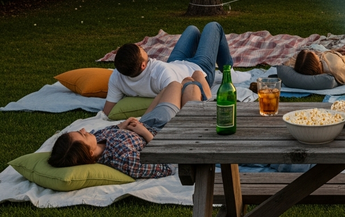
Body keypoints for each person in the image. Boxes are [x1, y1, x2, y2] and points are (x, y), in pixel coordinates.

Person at [48, 80, 194, 178]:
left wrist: (122, 126)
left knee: (173, 85)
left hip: (147, 121)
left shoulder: (96, 139)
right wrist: (145, 133)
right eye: (83, 135)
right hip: (163, 130)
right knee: (187, 84)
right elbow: (167, 166)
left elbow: (110, 131)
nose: (86, 130)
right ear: (90, 153)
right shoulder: (124, 160)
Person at [102, 22, 233, 116]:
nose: (143, 49)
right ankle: (228, 69)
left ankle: (199, 47)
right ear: (143, 65)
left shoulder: (117, 76)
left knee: (192, 30)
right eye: (142, 50)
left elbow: (108, 111)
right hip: (198, 69)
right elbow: (178, 98)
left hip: (174, 63)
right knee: (213, 26)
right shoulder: (160, 73)